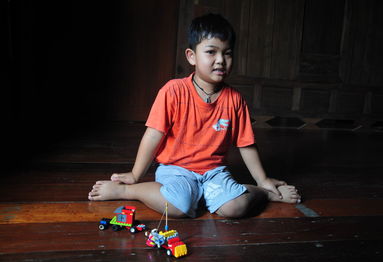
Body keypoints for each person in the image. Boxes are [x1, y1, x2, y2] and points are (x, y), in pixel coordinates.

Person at [88, 13, 300, 218]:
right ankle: (127, 192)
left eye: (227, 53)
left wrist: (262, 181)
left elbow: (246, 144)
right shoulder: (173, 91)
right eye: (211, 52)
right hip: (176, 170)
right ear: (192, 56)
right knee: (178, 205)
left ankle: (263, 193)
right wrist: (135, 175)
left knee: (235, 208)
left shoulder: (235, 99)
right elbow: (153, 136)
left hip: (214, 172)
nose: (220, 60)